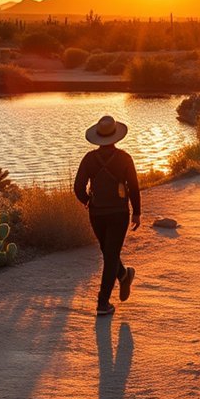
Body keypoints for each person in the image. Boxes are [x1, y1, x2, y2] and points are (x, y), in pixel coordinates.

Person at [74, 115, 141, 317]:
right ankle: (109, 295)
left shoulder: (89, 159)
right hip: (119, 213)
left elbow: (78, 187)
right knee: (109, 253)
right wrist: (136, 212)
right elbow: (134, 187)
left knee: (108, 252)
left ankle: (119, 281)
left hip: (97, 213)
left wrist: (87, 201)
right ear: (116, 136)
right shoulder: (125, 158)